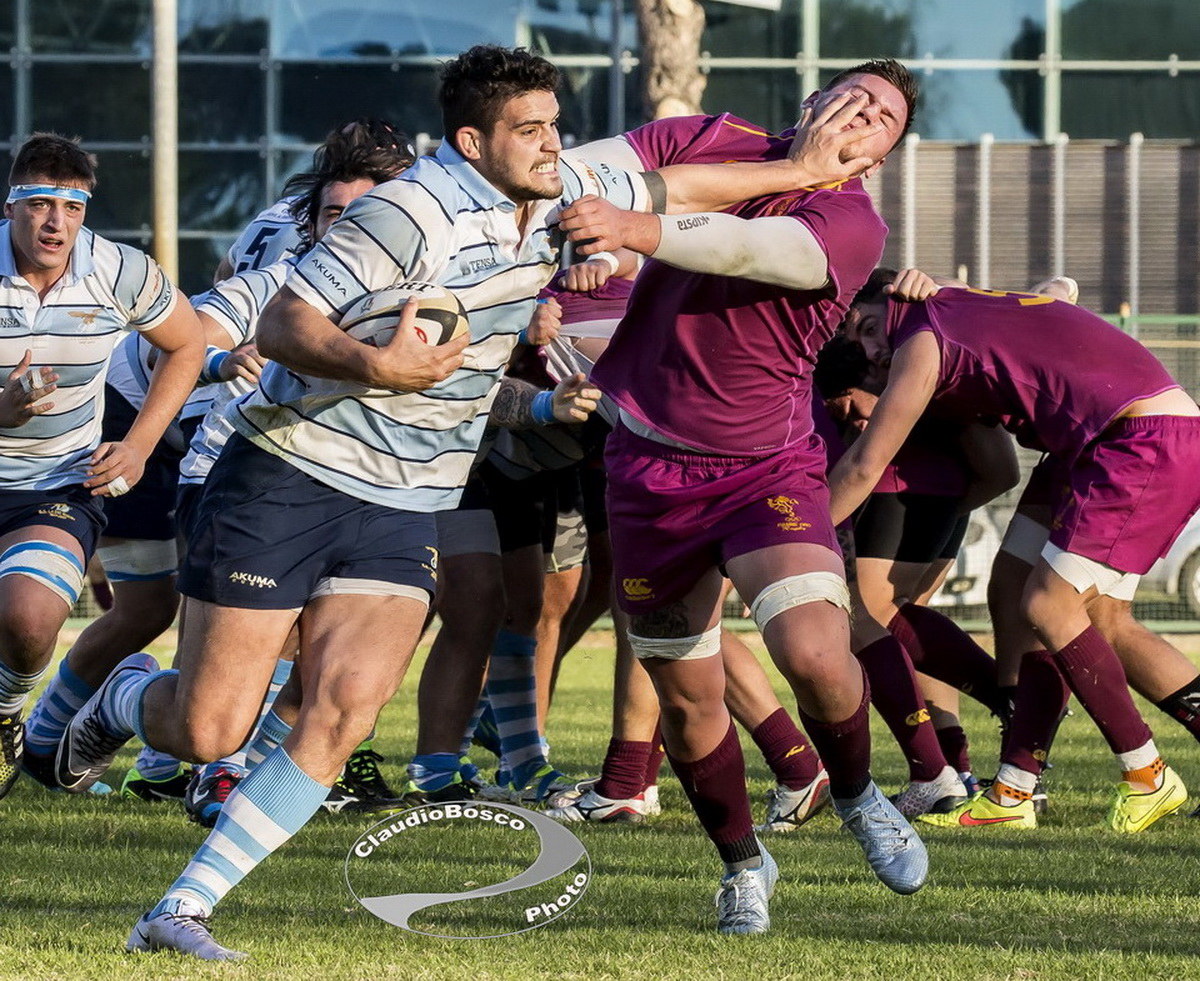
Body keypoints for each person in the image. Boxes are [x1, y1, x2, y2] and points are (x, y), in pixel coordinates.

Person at [56, 45, 789, 960]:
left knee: (346, 710)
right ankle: (121, 699)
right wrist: (381, 366)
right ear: (472, 141)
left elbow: (673, 178)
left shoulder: (559, 186)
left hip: (408, 500)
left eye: (556, 125)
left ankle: (182, 907)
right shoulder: (410, 211)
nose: (554, 145)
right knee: (209, 728)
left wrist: (803, 169)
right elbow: (284, 321)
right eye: (531, 130)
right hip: (289, 472)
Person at [552, 59, 928, 935]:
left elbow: (744, 247)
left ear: (879, 158)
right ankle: (741, 863)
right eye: (854, 97)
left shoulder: (850, 221)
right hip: (646, 469)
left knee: (815, 652)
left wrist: (635, 225)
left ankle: (863, 796)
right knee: (686, 701)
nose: (863, 115)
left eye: (884, 118)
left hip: (765, 469)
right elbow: (585, 176)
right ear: (813, 100)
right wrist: (588, 230)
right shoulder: (706, 136)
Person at [831, 268, 1198, 833]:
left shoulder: (923, 337)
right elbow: (1056, 293)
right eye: (860, 343)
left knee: (1049, 608)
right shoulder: (953, 309)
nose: (874, 349)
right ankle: (1014, 792)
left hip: (1136, 438)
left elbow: (863, 465)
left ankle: (1147, 776)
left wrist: (793, 541)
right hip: (1091, 446)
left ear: (893, 298)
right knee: (1025, 596)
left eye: (871, 327)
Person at [0, 134, 204, 800]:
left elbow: (187, 343)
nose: (56, 220)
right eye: (40, 203)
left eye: (73, 205)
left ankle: (7, 716)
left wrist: (141, 443)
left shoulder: (117, 270)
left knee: (30, 622)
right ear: (11, 206)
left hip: (55, 486)